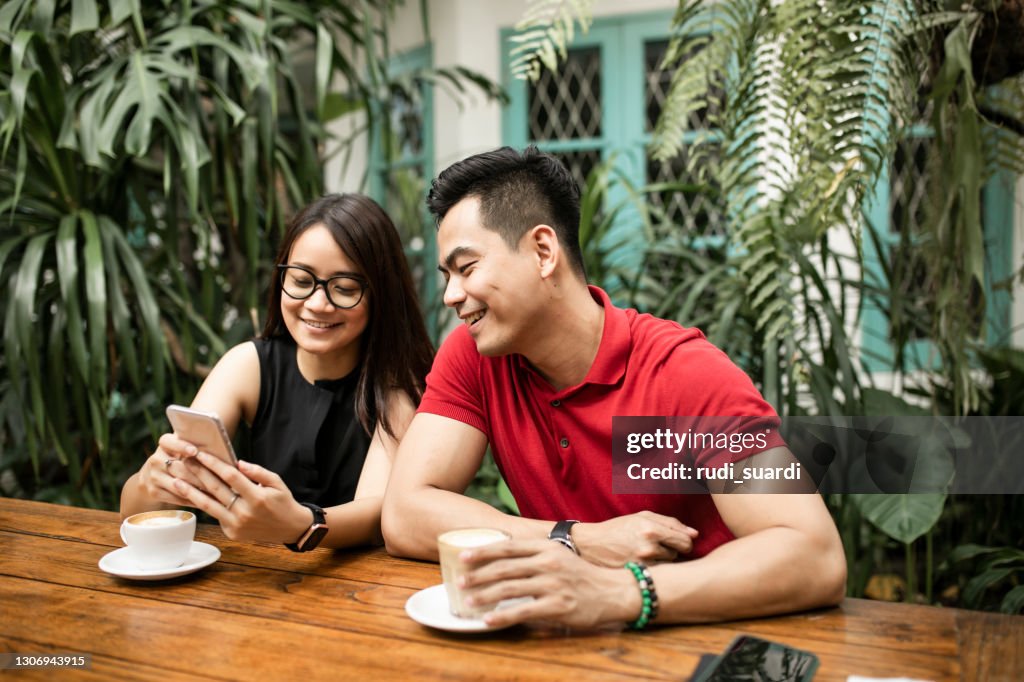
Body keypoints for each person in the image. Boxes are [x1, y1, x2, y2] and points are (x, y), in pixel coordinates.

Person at [381, 147, 846, 628]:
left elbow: (813, 555)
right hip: (574, 646)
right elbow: (404, 515)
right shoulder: (476, 357)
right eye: (448, 276)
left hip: (712, 635)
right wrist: (575, 539)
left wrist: (621, 591)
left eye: (467, 268)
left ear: (543, 252)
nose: (451, 295)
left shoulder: (684, 372)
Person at [122, 193, 433, 551]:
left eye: (344, 288)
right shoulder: (248, 365)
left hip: (361, 580)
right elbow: (133, 515)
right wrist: (152, 482)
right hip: (257, 575)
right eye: (301, 281)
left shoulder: (395, 386)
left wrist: (302, 524)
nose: (317, 303)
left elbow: (376, 515)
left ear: (382, 294)